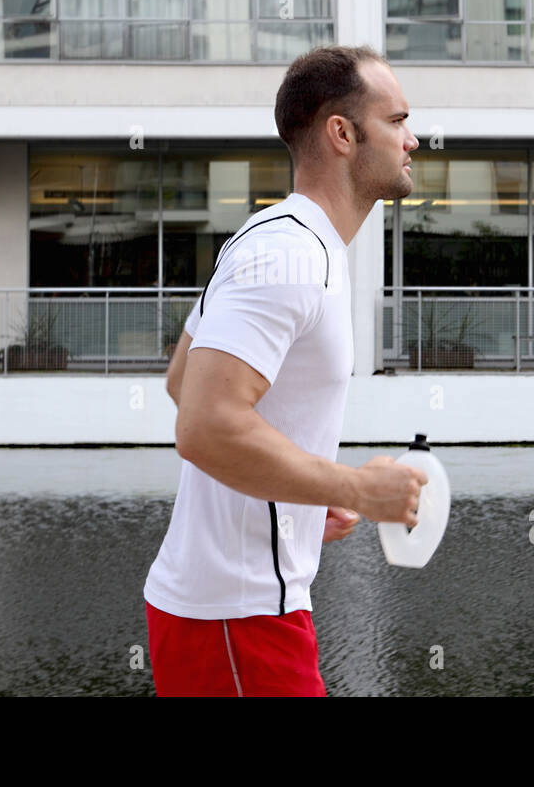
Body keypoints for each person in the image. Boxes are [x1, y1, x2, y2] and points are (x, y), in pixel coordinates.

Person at [143, 45, 428, 697]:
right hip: (237, 619)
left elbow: (183, 381)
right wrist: (355, 489)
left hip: (237, 613)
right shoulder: (286, 254)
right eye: (397, 121)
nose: (413, 139)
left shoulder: (277, 239)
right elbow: (205, 424)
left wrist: (301, 487)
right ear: (342, 134)